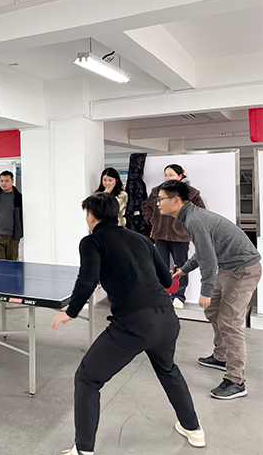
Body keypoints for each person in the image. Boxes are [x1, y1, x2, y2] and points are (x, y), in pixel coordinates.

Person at [51, 193, 204, 455]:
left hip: (134, 323)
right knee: (167, 369)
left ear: (91, 216)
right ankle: (194, 428)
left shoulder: (92, 241)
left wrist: (71, 312)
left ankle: (83, 450)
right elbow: (167, 282)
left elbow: (87, 279)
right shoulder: (141, 238)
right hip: (167, 319)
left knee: (87, 378)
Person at [159, 179, 260, 400]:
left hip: (243, 269)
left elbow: (208, 260)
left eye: (161, 199)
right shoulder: (192, 217)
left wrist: (206, 290)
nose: (158, 203)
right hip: (229, 268)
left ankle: (236, 380)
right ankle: (221, 356)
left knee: (230, 322)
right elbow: (205, 251)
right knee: (213, 311)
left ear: (176, 201)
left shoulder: (194, 220)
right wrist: (184, 269)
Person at [142, 165, 206, 309]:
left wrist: (187, 225)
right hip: (160, 235)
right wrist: (152, 220)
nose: (167, 178)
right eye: (165, 175)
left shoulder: (190, 193)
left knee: (181, 266)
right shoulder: (156, 192)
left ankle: (179, 296)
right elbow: (146, 207)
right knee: (160, 265)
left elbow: (200, 211)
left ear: (180, 176)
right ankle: (161, 294)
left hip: (180, 236)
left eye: (171, 175)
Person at [0, 170, 23, 260]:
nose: (3, 183)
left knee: (12, 264)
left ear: (12, 181)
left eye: (6, 181)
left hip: (13, 238)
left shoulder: (19, 197)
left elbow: (22, 216)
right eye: (1, 181)